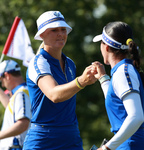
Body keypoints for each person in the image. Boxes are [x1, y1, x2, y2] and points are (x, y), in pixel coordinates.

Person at [23, 10, 97, 150]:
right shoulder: (38, 62)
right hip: (43, 138)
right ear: (42, 34)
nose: (61, 34)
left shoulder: (70, 63)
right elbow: (54, 95)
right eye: (54, 30)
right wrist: (81, 81)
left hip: (71, 135)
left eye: (63, 29)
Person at [91, 21, 144, 150]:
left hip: (131, 144)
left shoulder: (123, 72)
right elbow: (117, 105)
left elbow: (136, 117)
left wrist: (106, 148)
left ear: (107, 47)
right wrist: (104, 79)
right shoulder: (124, 70)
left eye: (101, 43)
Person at [0, 60, 31, 150]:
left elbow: (23, 124)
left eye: (1, 81)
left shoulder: (21, 93)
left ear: (7, 75)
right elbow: (10, 108)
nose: (3, 85)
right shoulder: (21, 93)